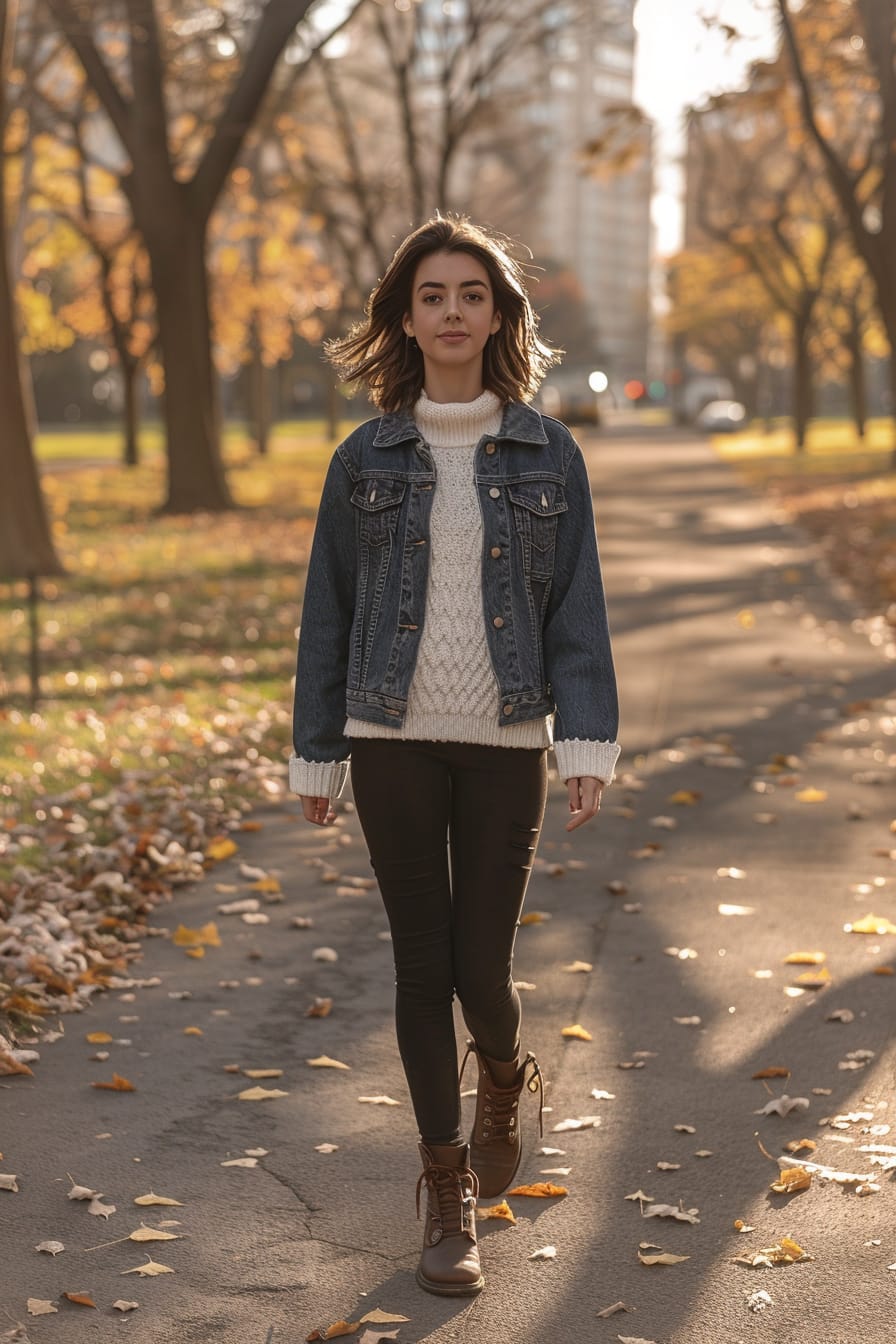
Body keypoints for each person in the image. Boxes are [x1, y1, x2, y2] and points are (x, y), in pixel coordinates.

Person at [290, 215, 619, 1297]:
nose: (449, 312)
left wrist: (584, 738)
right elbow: (326, 612)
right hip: (391, 739)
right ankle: (446, 1194)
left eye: (469, 294)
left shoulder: (544, 450)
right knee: (421, 965)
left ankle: (500, 1077)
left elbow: (575, 609)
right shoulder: (365, 454)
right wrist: (316, 753)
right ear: (405, 314)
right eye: (430, 294)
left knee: (484, 969)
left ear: (498, 315)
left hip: (502, 740)